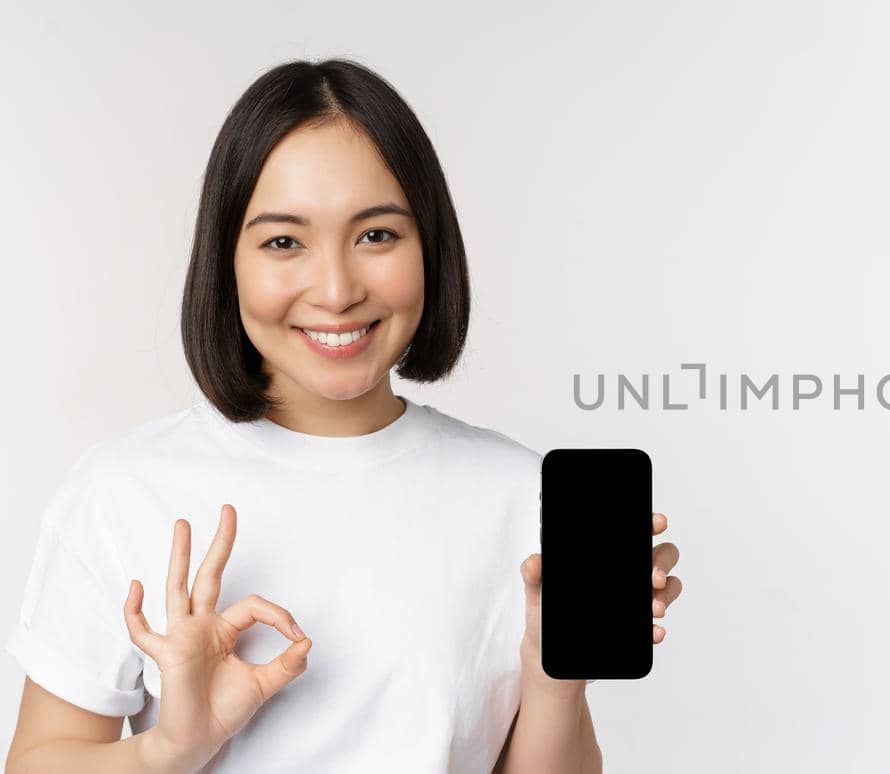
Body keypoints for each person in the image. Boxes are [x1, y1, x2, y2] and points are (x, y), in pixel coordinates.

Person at [3, 58, 684, 773]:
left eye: (377, 236)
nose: (335, 290)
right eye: (283, 242)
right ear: (226, 260)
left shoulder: (521, 497)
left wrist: (553, 678)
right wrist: (168, 750)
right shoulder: (125, 489)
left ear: (431, 248)